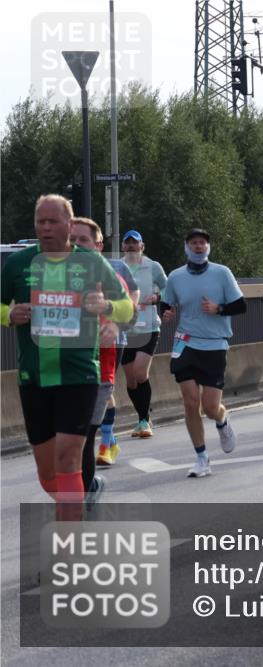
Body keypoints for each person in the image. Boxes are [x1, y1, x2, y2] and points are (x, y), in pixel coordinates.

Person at [1, 194, 133, 520]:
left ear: (69, 224)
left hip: (80, 375)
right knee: (49, 475)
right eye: (40, 221)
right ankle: (82, 498)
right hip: (34, 377)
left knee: (69, 459)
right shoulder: (19, 264)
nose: (45, 228)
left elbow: (127, 308)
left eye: (53, 221)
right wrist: (9, 313)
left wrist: (106, 308)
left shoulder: (91, 262)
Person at [161, 228, 244, 478]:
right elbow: (166, 303)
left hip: (214, 344)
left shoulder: (222, 273)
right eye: (194, 243)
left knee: (210, 406)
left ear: (208, 248)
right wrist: (165, 313)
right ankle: (201, 457)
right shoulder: (175, 276)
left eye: (202, 243)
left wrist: (218, 308)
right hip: (185, 343)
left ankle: (221, 420)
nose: (198, 247)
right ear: (186, 247)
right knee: (189, 402)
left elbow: (240, 305)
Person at [68, 218, 140, 478]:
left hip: (108, 346)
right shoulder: (55, 271)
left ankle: (106, 442)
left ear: (99, 244)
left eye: (83, 240)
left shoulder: (116, 267)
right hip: (68, 356)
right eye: (72, 241)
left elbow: (133, 302)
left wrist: (116, 325)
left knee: (89, 422)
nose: (77, 246)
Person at [120, 230, 168, 439]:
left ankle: (144, 420)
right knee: (131, 380)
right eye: (127, 243)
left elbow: (168, 288)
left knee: (140, 373)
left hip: (148, 327)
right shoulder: (117, 268)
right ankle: (142, 419)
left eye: (135, 243)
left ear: (142, 246)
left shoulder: (153, 266)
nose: (131, 246)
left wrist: (157, 297)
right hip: (125, 329)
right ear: (123, 246)